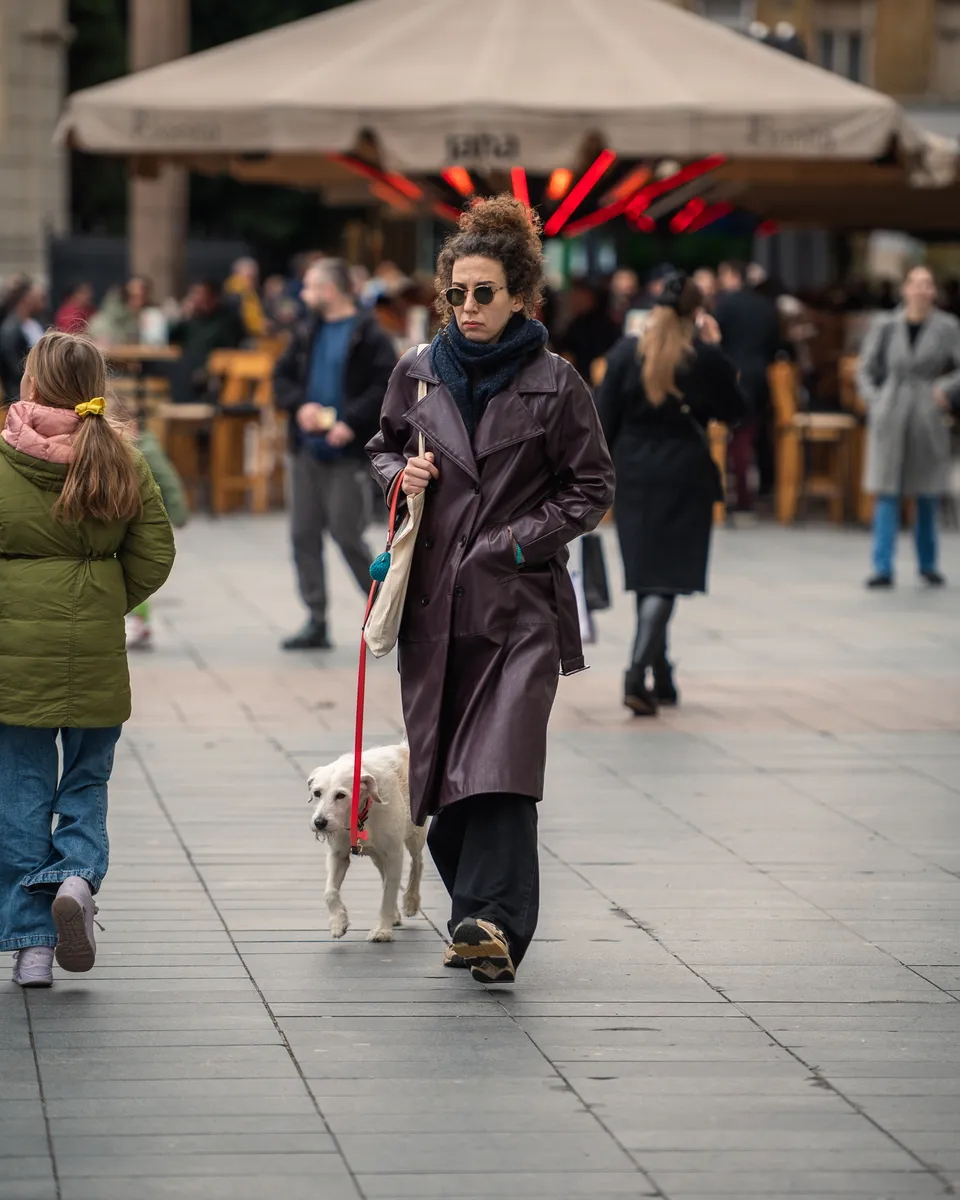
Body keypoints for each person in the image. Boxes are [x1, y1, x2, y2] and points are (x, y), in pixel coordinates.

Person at [367, 196, 615, 984]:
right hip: (435, 608)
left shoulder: (556, 383)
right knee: (444, 776)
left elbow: (592, 486)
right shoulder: (416, 372)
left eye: (484, 294)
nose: (467, 308)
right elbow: (381, 450)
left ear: (521, 299)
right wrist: (399, 476)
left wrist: (516, 541)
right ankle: (477, 919)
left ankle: (491, 923)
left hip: (517, 609)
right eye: (456, 294)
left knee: (501, 765)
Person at [0, 331, 176, 987]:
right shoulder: (120, 458)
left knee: (19, 794)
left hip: (13, 661)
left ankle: (32, 946)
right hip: (97, 655)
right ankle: (76, 875)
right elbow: (155, 552)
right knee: (85, 779)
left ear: (30, 386)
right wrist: (103, 603)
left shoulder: (4, 460)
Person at [598, 270, 745, 716]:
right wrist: (716, 350)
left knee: (649, 578)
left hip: (636, 475)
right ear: (696, 314)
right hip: (686, 475)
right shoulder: (704, 357)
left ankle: (660, 674)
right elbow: (736, 412)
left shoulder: (625, 353)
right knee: (666, 579)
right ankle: (637, 671)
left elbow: (603, 420)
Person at [273, 258, 396, 650]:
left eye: (309, 287)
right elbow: (281, 378)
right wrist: (299, 407)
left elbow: (386, 387)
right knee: (302, 534)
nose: (304, 294)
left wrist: (352, 422)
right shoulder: (305, 330)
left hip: (349, 452)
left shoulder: (370, 334)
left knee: (347, 533)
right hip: (305, 450)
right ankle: (316, 618)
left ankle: (385, 611)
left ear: (330, 290)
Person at [857, 266, 960, 588]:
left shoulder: (948, 326)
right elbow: (865, 368)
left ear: (933, 291)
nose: (920, 290)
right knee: (886, 489)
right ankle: (882, 566)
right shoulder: (885, 325)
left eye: (927, 284)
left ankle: (928, 563)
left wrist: (945, 389)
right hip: (892, 407)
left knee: (928, 489)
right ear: (904, 289)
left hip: (927, 410)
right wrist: (875, 400)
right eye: (914, 283)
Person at [715, 260, 781, 512]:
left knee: (735, 439)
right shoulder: (765, 306)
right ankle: (761, 488)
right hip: (760, 376)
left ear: (732, 275)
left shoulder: (726, 304)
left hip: (734, 376)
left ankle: (739, 496)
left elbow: (714, 342)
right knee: (755, 435)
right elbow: (775, 344)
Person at [167, 280, 245, 403]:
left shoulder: (226, 319)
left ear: (212, 297)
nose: (195, 299)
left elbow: (232, 345)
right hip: (188, 366)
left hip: (215, 370)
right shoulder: (192, 319)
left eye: (199, 295)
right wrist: (182, 316)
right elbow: (170, 338)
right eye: (193, 295)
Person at [554, 280, 621, 384]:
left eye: (577, 295)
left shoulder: (601, 325)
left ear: (589, 297)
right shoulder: (576, 323)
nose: (572, 299)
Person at [1, 280, 47, 399]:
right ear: (26, 299)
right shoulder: (10, 330)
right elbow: (14, 368)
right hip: (21, 393)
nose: (42, 302)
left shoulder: (34, 323)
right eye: (37, 297)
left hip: (40, 386)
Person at [224, 257, 267, 339]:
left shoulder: (251, 293)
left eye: (256, 277)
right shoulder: (236, 294)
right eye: (250, 277)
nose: (255, 280)